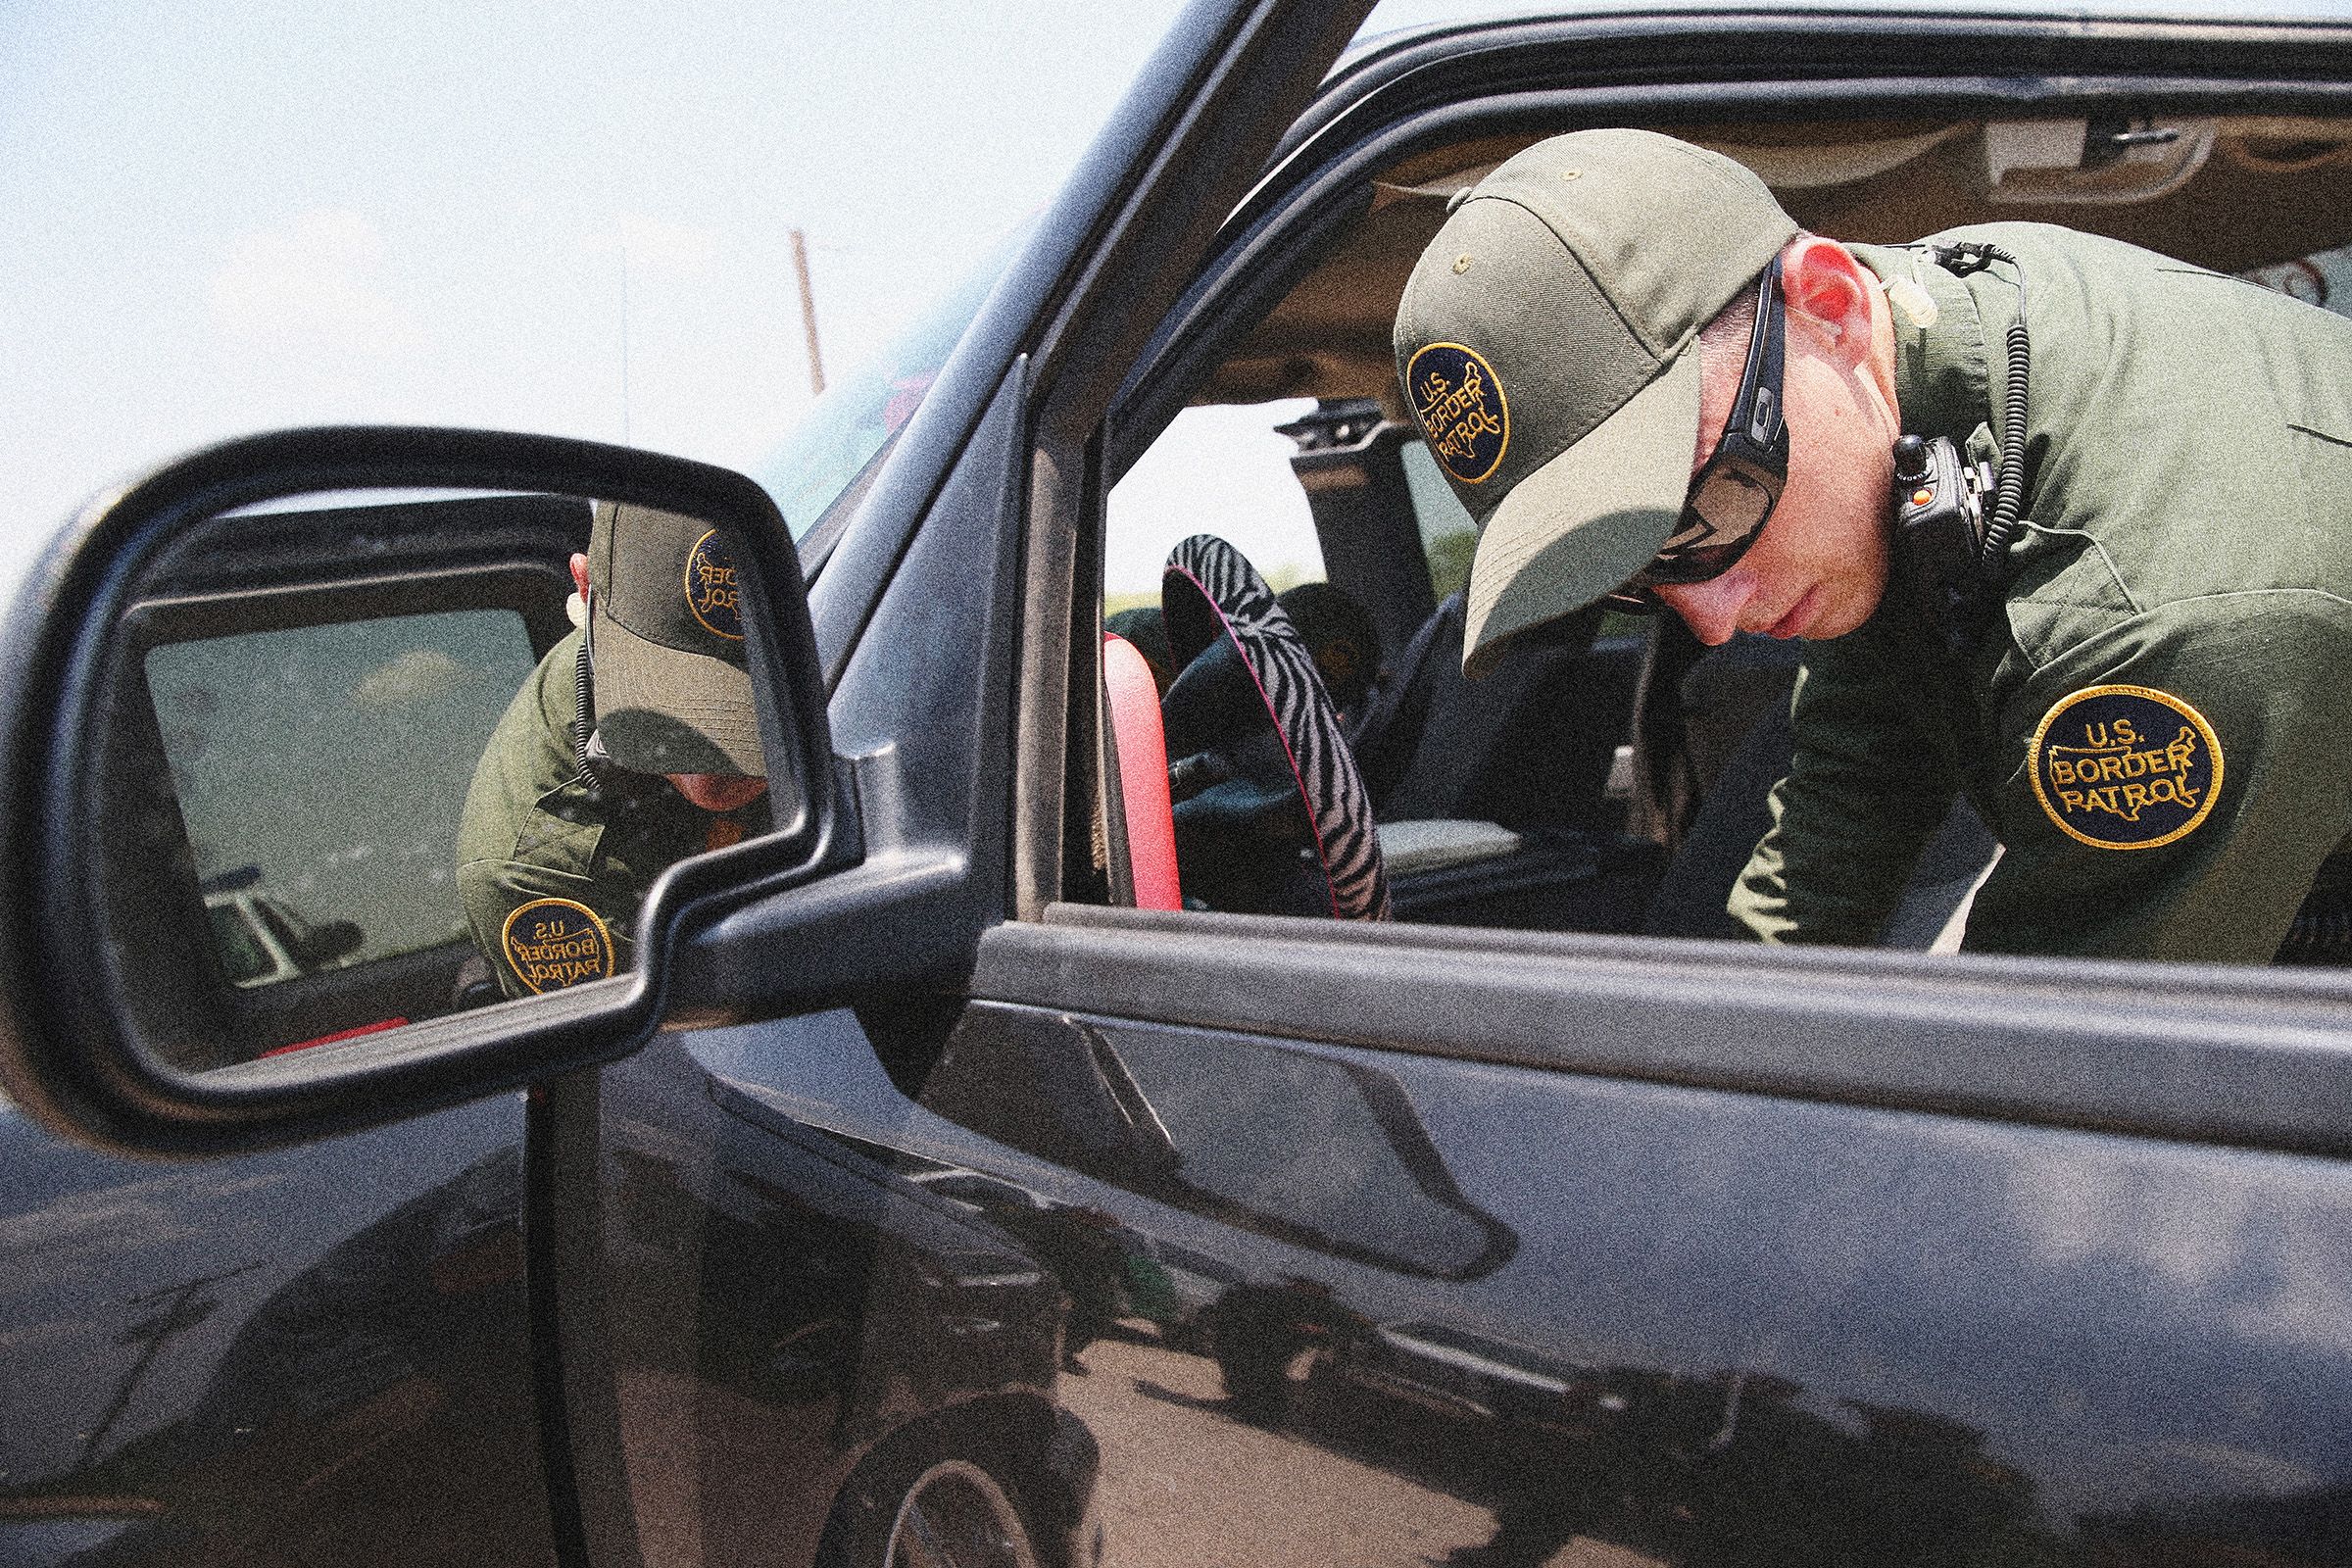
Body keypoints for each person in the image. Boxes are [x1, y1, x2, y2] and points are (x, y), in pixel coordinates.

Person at [1392, 127, 2352, 963]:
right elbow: (1857, 780)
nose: (1714, 622)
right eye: (1637, 573)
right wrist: (1734, 1023)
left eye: (1702, 514)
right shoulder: (1902, 393)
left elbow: (2068, 1065)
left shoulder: (2159, 620)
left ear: (1830, 303)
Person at [457, 501, 768, 997]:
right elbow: (683, 1035)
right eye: (666, 690)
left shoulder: (847, 621)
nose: (714, 767)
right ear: (585, 588)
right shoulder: (532, 871)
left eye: (749, 697)